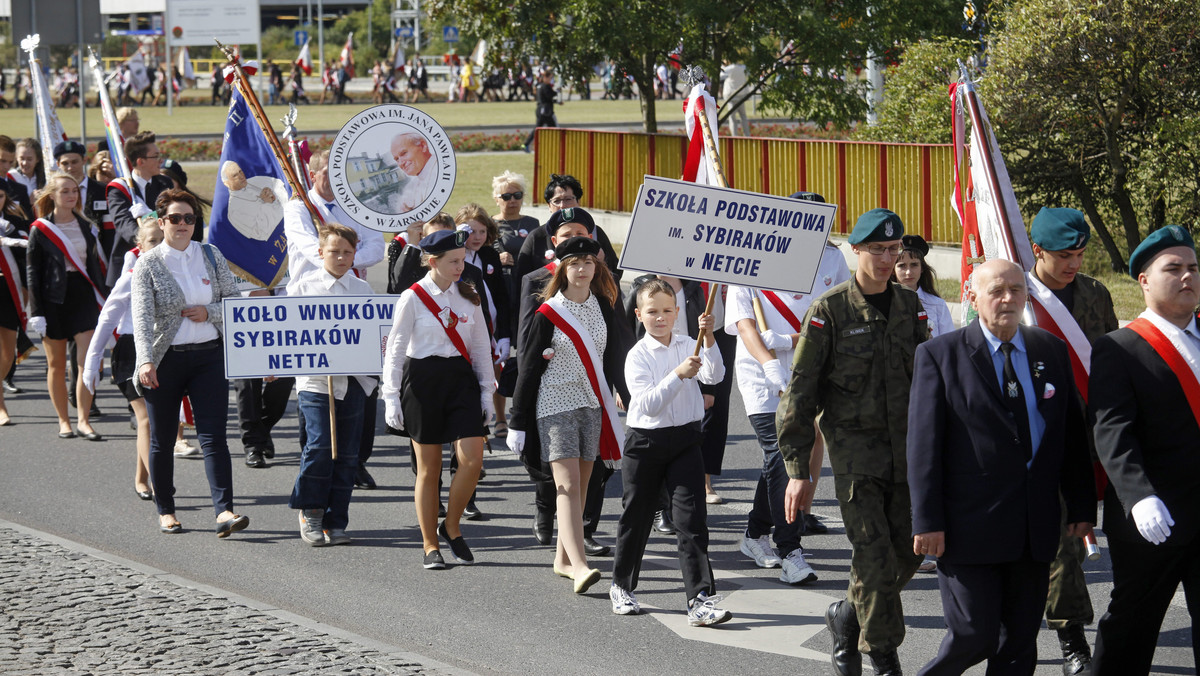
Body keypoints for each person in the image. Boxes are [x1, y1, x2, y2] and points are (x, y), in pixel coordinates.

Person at [908, 259, 1095, 675]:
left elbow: (1070, 434)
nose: (1008, 298)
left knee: (1018, 644)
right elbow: (923, 447)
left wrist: (1082, 509)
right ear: (972, 296)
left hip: (1033, 525)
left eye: (1016, 289)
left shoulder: (1049, 349)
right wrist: (927, 520)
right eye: (997, 290)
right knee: (974, 634)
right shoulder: (940, 355)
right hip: (969, 524)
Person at [778, 208, 928, 676]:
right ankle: (883, 657)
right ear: (855, 250)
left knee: (908, 551)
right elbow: (799, 393)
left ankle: (845, 616)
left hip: (906, 451)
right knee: (873, 553)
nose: (887, 259)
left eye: (893, 250)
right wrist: (798, 471)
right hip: (855, 455)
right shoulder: (830, 311)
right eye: (877, 250)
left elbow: (925, 381)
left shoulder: (910, 306)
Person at [1089, 225, 1200, 675]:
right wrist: (1138, 496)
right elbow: (1112, 430)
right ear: (1144, 280)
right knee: (1133, 624)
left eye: (1193, 267)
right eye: (1173, 268)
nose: (1187, 276)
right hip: (1155, 516)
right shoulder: (1121, 347)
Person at [1025, 206, 1119, 673]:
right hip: (1046, 439)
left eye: (1081, 254)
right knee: (1067, 540)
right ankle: (1071, 638)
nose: (1074, 264)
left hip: (1099, 435)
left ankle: (1124, 623)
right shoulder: (1021, 298)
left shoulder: (1097, 294)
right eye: (1065, 255)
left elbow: (1113, 355)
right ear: (1037, 251)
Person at [508, 235, 630, 593]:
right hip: (553, 404)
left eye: (588, 262)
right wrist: (516, 421)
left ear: (597, 267)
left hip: (592, 402)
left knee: (584, 485)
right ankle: (579, 566)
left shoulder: (604, 306)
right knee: (568, 485)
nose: (582, 269)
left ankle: (562, 559)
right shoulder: (548, 312)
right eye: (574, 263)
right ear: (563, 269)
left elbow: (613, 356)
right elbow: (528, 368)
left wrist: (624, 392)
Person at [610, 279, 731, 626]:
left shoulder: (687, 343)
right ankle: (621, 585)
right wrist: (679, 375)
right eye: (652, 312)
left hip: (685, 442)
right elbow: (646, 405)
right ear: (639, 314)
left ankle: (700, 599)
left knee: (691, 521)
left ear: (678, 312)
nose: (660, 318)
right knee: (637, 517)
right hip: (645, 444)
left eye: (667, 311)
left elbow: (716, 374)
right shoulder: (638, 355)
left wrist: (708, 337)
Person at [131, 189, 246, 537]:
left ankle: (224, 511)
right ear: (162, 222)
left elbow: (232, 301)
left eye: (190, 219)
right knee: (162, 440)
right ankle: (166, 510)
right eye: (176, 219)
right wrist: (145, 361)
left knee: (214, 438)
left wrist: (208, 312)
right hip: (166, 360)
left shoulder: (211, 254)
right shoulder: (148, 263)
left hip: (209, 357)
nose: (183, 225)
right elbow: (141, 318)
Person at [382, 229, 494, 569]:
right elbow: (396, 349)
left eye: (462, 261)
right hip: (423, 382)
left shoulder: (468, 296)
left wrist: (487, 392)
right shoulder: (413, 298)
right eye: (453, 262)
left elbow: (479, 347)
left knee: (472, 459)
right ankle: (430, 543)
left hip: (460, 380)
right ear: (433, 262)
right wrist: (391, 396)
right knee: (429, 470)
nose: (461, 267)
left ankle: (452, 525)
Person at [283, 150, 385, 483]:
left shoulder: (355, 205)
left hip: (354, 302)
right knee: (315, 393)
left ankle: (356, 462)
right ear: (312, 174)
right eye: (327, 171)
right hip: (311, 301)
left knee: (358, 388)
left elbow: (374, 247)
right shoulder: (299, 207)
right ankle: (313, 468)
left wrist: (347, 262)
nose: (335, 178)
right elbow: (309, 248)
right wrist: (338, 262)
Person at [289, 223, 375, 547]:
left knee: (348, 454)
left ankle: (336, 520)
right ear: (321, 252)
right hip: (314, 383)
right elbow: (285, 337)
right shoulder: (303, 288)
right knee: (321, 446)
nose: (340, 257)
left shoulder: (362, 291)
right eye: (334, 251)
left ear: (355, 255)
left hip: (353, 381)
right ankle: (310, 512)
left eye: (347, 252)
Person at [83, 215, 164, 501]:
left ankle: (141, 478)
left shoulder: (177, 271)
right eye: (152, 241)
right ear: (140, 246)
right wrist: (93, 360)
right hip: (131, 352)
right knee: (146, 419)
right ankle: (159, 483)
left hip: (161, 350)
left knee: (154, 420)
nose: (158, 247)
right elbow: (108, 316)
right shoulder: (132, 275)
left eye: (162, 240)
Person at [26, 172, 106, 441]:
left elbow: (94, 266)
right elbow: (32, 273)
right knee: (57, 364)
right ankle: (64, 421)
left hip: (83, 296)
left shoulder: (86, 225)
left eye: (74, 191)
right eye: (65, 191)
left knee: (87, 362)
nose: (72, 195)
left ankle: (84, 419)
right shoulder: (40, 228)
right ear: (52, 196)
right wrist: (35, 311)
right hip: (53, 299)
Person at [513, 174, 622, 284]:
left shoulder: (595, 232)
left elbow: (616, 273)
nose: (562, 205)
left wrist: (602, 262)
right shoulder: (536, 236)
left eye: (568, 199)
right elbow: (523, 278)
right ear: (549, 206)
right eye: (557, 201)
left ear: (578, 202)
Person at [107, 131, 173, 286]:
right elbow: (124, 225)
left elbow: (172, 218)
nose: (160, 160)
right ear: (141, 161)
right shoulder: (119, 189)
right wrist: (148, 240)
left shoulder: (165, 184)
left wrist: (150, 215)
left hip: (165, 262)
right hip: (130, 263)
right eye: (155, 156)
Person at [0, 185, 31, 425]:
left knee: (7, 354)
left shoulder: (13, 221)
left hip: (8, 289)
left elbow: (26, 252)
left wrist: (27, 289)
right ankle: (1, 406)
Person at [491, 171, 538, 302]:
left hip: (527, 287)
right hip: (501, 288)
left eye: (517, 195)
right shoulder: (488, 225)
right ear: (496, 199)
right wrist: (497, 259)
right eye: (506, 196)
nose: (512, 200)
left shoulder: (533, 223)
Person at [219, 160, 287, 241]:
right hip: (279, 238)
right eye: (235, 175)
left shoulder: (255, 180)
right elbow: (260, 233)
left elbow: (281, 186)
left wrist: (274, 197)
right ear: (226, 183)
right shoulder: (234, 210)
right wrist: (267, 204)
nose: (241, 176)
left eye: (240, 171)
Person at [391, 134, 436, 213]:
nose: (401, 163)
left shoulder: (442, 169)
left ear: (423, 146)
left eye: (404, 153)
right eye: (397, 159)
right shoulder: (411, 186)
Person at [523, 69, 558, 153]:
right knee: (555, 129)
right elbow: (550, 96)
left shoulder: (539, 85)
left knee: (538, 129)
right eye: (550, 78)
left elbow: (544, 98)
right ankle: (557, 146)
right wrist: (556, 93)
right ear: (545, 77)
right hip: (545, 111)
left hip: (540, 110)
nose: (550, 80)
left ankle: (526, 144)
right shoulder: (545, 86)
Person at [720, 60, 750, 136]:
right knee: (743, 117)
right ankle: (747, 135)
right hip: (741, 95)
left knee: (732, 119)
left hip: (731, 96)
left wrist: (723, 66)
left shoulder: (730, 68)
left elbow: (720, 75)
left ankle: (734, 135)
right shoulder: (743, 68)